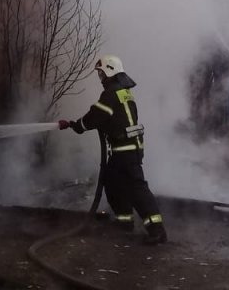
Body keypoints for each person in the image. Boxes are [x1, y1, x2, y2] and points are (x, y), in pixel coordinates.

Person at [59, 55, 168, 245]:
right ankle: (124, 221)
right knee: (112, 182)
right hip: (125, 148)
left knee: (136, 189)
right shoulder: (123, 91)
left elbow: (96, 115)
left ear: (110, 71)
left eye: (101, 73)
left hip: (126, 149)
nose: (100, 77)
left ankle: (157, 230)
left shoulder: (111, 93)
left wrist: (78, 126)